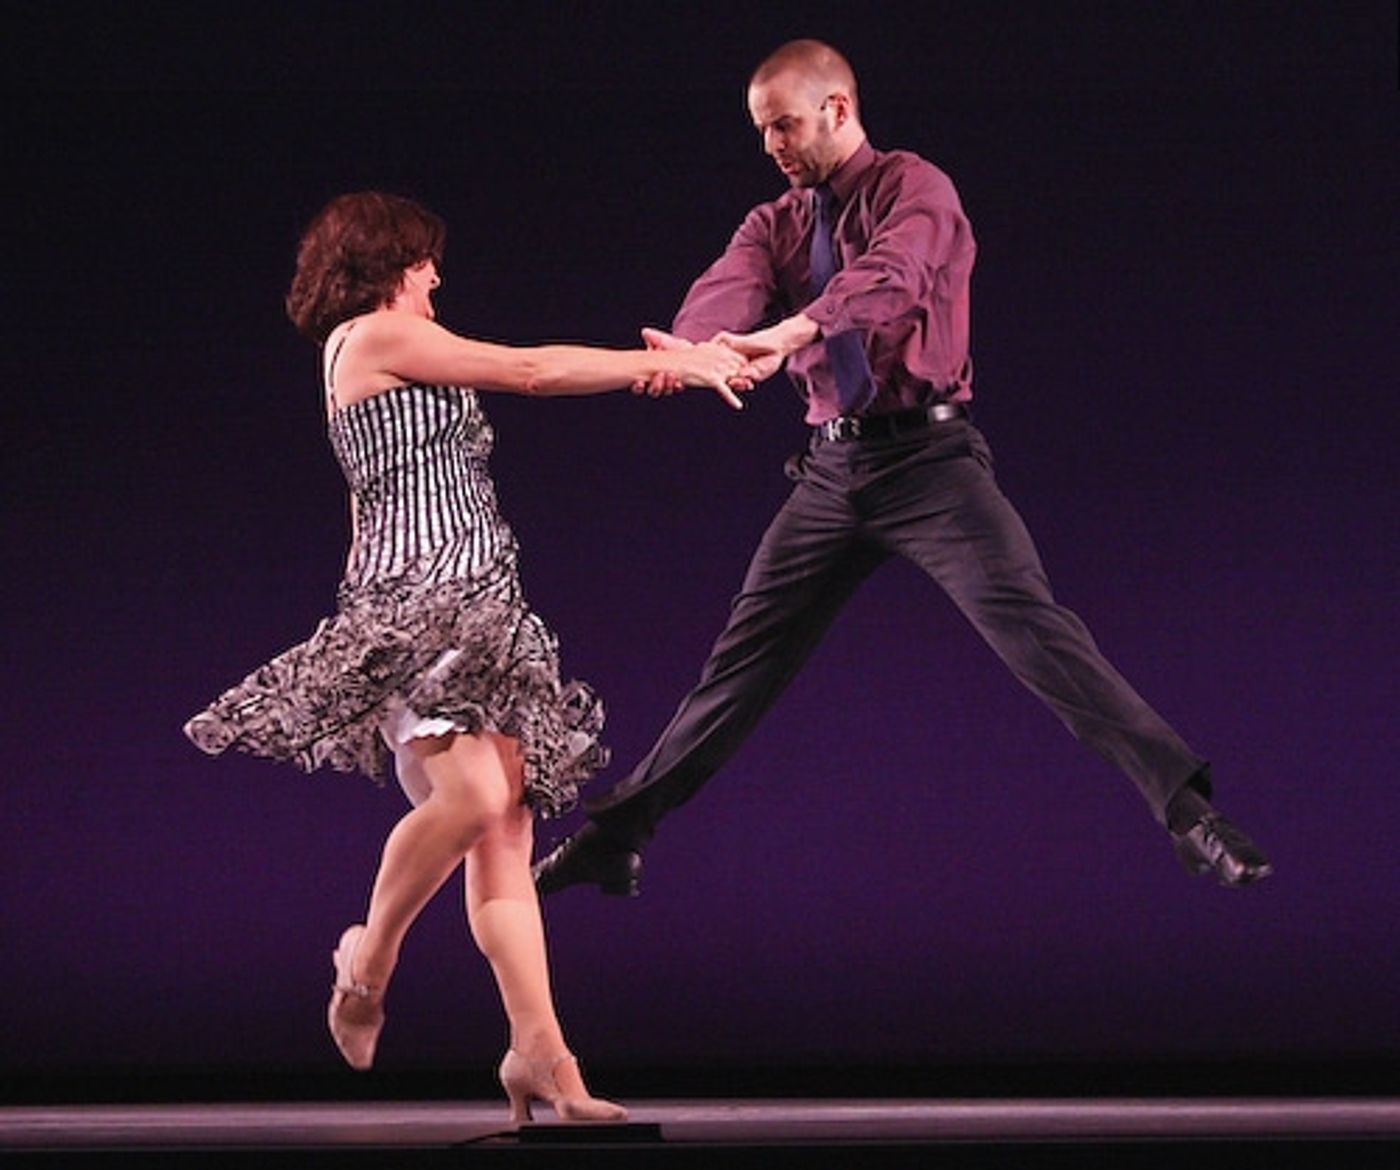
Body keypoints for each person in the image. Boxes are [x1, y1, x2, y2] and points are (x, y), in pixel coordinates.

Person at [533, 39, 1271, 900]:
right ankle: (619, 836)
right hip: (831, 472)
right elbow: (727, 291)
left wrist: (792, 332)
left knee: (1037, 633)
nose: (772, 144)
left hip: (932, 464)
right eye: (760, 130)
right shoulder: (774, 223)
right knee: (742, 659)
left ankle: (1188, 812)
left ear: (837, 110)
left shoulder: (916, 189)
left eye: (784, 125)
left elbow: (894, 277)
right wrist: (693, 351)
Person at [184, 191, 750, 1122]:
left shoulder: (414, 352)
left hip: (487, 609)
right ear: (386, 266)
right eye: (423, 263)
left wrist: (677, 362)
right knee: (473, 799)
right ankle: (365, 966)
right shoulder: (366, 339)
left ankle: (543, 1061)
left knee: (506, 840)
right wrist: (677, 363)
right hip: (411, 614)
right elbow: (527, 369)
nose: (436, 277)